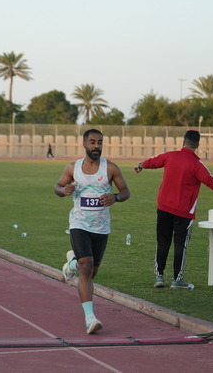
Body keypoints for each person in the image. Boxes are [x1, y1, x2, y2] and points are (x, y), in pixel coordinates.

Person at [134, 130, 213, 290]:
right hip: (184, 211)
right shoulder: (197, 164)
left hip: (164, 207)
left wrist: (141, 165)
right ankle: (177, 280)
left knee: (163, 241)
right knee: (180, 244)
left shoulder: (170, 156)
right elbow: (212, 182)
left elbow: (154, 161)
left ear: (183, 142)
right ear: (198, 145)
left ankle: (159, 277)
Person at [55, 129, 130, 334]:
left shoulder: (110, 168)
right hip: (79, 224)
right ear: (84, 144)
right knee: (86, 267)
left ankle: (72, 264)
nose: (96, 146)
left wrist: (115, 197)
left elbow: (125, 192)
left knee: (91, 271)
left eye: (100, 142)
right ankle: (90, 318)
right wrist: (63, 190)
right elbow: (58, 186)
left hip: (101, 227)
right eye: (92, 142)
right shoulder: (73, 168)